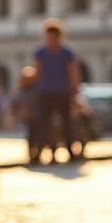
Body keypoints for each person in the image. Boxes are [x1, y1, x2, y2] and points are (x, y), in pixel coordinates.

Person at [34, 19, 81, 159]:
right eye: (48, 36)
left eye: (53, 36)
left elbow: (73, 73)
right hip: (45, 92)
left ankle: (70, 151)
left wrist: (75, 92)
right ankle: (42, 151)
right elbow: (38, 71)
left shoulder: (67, 53)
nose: (51, 39)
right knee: (44, 124)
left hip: (63, 92)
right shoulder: (41, 52)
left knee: (66, 123)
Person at [11, 66, 40, 162]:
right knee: (30, 137)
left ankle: (36, 155)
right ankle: (32, 155)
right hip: (29, 117)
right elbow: (15, 103)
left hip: (36, 117)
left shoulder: (36, 90)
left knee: (37, 137)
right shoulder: (22, 91)